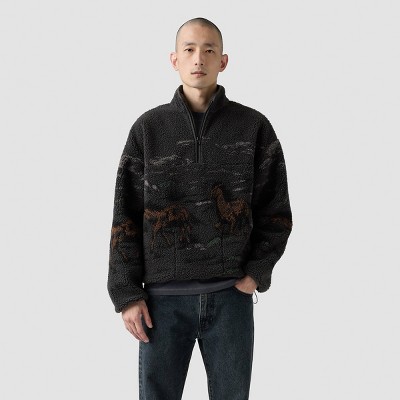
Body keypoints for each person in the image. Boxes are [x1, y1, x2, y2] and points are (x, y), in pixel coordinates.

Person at [107, 17, 293, 400]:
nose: (199, 58)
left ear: (223, 61)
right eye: (189, 49)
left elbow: (276, 212)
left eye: (209, 50)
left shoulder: (254, 127)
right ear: (174, 59)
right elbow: (125, 215)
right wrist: (126, 293)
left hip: (230, 299)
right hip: (161, 303)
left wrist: (256, 273)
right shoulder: (148, 129)